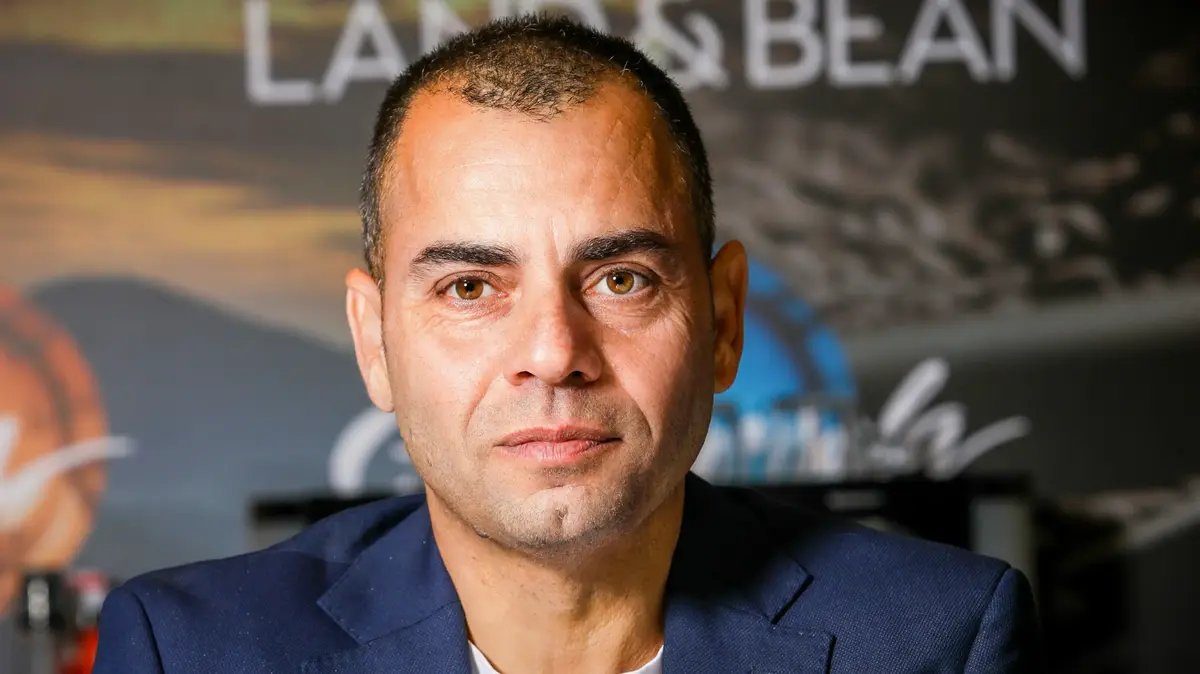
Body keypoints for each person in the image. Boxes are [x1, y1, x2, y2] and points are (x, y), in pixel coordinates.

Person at [94, 14, 1041, 674]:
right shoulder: (191, 652)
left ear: (723, 320)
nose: (553, 354)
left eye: (620, 279)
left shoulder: (936, 640)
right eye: (471, 287)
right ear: (373, 342)